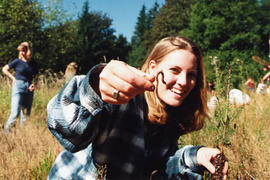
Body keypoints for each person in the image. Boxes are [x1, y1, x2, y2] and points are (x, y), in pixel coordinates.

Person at [47, 36, 228, 179]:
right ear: (152, 68)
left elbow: (159, 167)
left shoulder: (171, 116)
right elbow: (66, 127)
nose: (183, 82)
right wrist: (94, 86)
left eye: (191, 75)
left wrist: (196, 155)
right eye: (175, 70)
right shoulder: (125, 99)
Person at [2, 42, 38, 133]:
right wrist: (13, 78)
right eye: (20, 51)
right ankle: (6, 134)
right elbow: (4, 69)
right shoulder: (17, 61)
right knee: (15, 113)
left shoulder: (33, 63)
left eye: (24, 50)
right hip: (18, 86)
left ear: (28, 51)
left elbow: (35, 75)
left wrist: (33, 84)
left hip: (29, 88)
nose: (22, 53)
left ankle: (23, 137)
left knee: (26, 115)